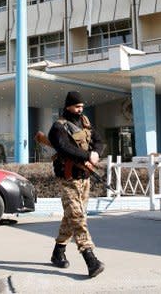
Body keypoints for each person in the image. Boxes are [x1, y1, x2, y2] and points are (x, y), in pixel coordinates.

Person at [47, 91, 105, 278]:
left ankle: (58, 252)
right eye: (77, 107)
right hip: (68, 179)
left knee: (72, 216)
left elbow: (98, 140)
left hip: (84, 177)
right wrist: (87, 156)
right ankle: (90, 258)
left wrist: (95, 152)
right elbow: (65, 148)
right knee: (78, 217)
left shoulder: (85, 122)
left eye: (82, 106)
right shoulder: (58, 127)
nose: (80, 110)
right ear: (68, 107)